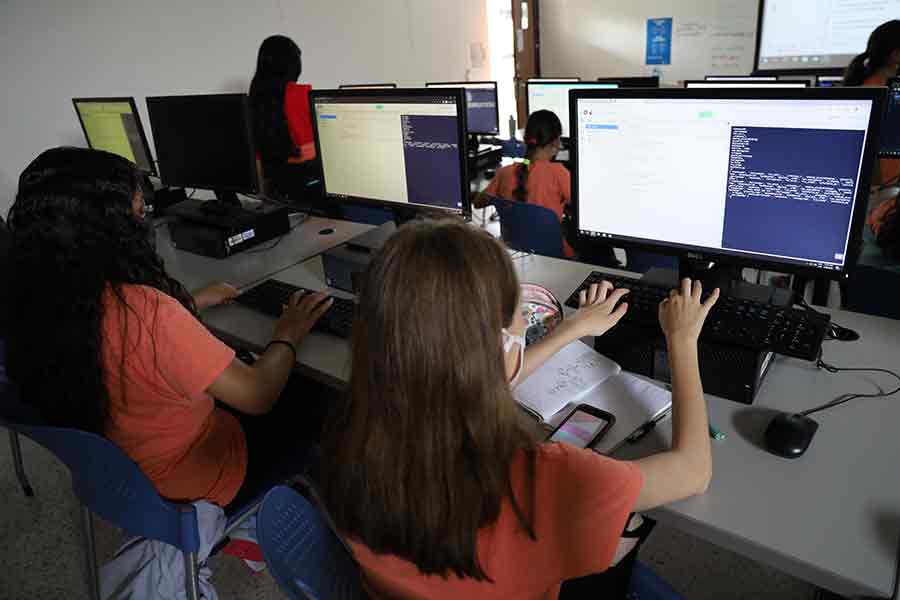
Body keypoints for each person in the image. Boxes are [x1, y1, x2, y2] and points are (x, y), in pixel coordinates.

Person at [320, 220, 718, 599]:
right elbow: (694, 471)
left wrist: (573, 329)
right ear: (501, 349)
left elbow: (466, 377)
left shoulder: (350, 433)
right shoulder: (549, 477)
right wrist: (682, 341)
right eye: (521, 326)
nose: (524, 334)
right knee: (631, 522)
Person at [4, 147, 331, 507]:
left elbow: (127, 341)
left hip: (121, 477)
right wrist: (288, 332)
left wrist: (186, 304)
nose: (145, 223)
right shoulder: (146, 312)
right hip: (201, 477)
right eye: (140, 212)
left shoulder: (38, 296)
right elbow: (256, 396)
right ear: (111, 230)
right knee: (320, 389)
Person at [249, 35, 319, 201]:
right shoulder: (298, 95)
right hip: (308, 186)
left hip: (275, 189)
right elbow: (313, 149)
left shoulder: (253, 98)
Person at [844, 20, 900, 190]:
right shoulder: (891, 99)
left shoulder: (854, 91)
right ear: (896, 55)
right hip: (883, 196)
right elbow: (890, 176)